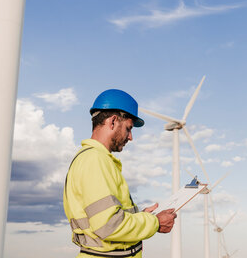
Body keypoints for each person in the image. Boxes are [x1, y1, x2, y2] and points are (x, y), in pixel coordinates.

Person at [63, 89, 177, 258]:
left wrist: (140, 217)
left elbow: (107, 218)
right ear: (113, 121)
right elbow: (109, 225)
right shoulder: (95, 160)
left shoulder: (97, 159)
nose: (130, 137)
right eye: (128, 128)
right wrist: (155, 222)